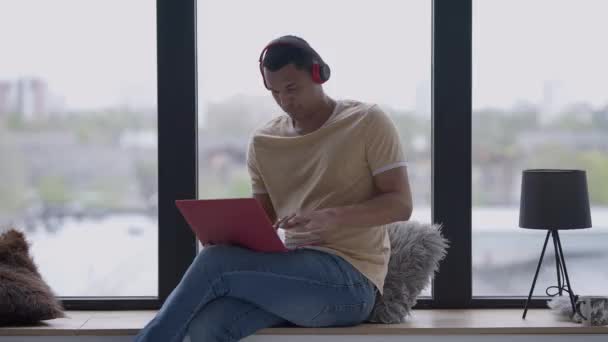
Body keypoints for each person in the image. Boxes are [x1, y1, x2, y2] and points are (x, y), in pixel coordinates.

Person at [134, 35, 413, 342]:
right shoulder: (264, 141)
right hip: (290, 275)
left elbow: (400, 203)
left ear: (319, 74)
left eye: (292, 88)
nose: (285, 100)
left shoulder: (367, 122)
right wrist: (226, 234)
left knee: (216, 263)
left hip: (351, 284)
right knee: (208, 326)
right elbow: (263, 220)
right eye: (275, 92)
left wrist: (330, 217)